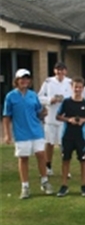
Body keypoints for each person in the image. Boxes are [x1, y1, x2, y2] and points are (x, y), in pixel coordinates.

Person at [3, 69, 53, 199]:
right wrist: (7, 134)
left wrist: (44, 113)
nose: (24, 81)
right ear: (17, 81)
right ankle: (25, 186)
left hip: (36, 130)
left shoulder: (33, 95)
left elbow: (38, 112)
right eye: (22, 79)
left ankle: (44, 181)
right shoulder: (10, 96)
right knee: (23, 158)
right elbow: (6, 117)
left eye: (26, 78)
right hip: (21, 133)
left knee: (41, 155)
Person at [56, 77, 85, 197]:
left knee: (83, 160)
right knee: (65, 159)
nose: (77, 89)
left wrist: (83, 120)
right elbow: (58, 116)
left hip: (81, 136)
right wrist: (68, 119)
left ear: (83, 88)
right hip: (67, 135)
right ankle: (64, 185)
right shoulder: (66, 102)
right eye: (75, 87)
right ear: (71, 87)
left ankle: (84, 185)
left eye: (80, 87)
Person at [38, 62, 72, 176]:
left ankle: (66, 169)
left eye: (62, 70)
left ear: (65, 71)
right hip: (51, 118)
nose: (60, 72)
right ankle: (48, 166)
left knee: (64, 144)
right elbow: (39, 97)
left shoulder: (70, 82)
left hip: (64, 118)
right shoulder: (48, 82)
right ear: (54, 71)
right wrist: (50, 100)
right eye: (58, 69)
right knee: (50, 143)